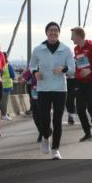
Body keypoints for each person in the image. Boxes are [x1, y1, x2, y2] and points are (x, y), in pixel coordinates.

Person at [29, 22, 75, 159]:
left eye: (55, 30)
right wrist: (35, 73)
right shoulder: (38, 49)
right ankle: (45, 137)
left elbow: (73, 70)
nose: (53, 32)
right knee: (44, 119)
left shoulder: (66, 50)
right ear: (46, 33)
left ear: (59, 33)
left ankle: (55, 149)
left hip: (60, 89)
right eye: (50, 30)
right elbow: (31, 66)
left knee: (57, 120)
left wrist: (63, 69)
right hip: (43, 88)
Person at [70, 26, 92, 141]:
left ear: (78, 36)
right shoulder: (76, 49)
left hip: (91, 81)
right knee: (79, 108)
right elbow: (78, 64)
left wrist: (90, 70)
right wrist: (75, 73)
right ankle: (87, 133)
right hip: (79, 82)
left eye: (72, 36)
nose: (71, 39)